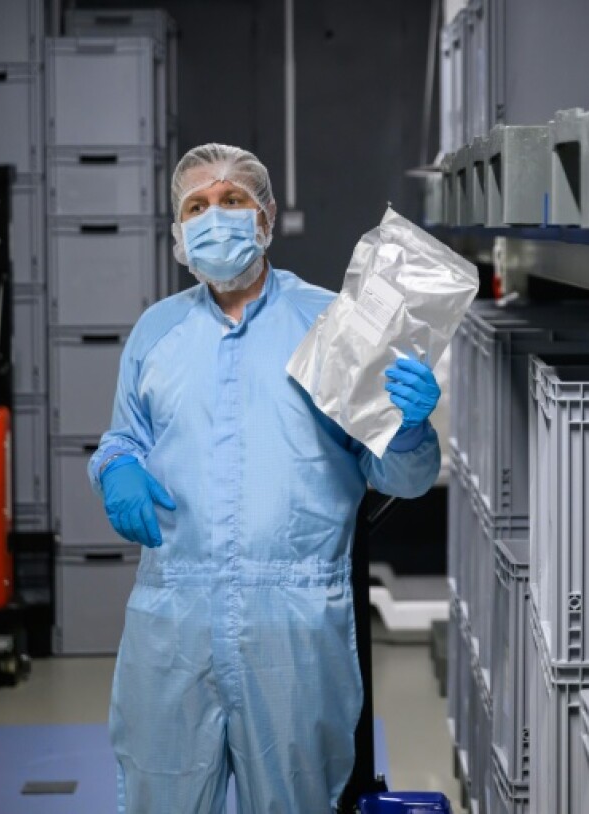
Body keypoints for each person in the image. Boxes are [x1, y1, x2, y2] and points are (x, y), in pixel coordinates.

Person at [87, 143, 443, 813]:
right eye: (197, 205)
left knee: (297, 800)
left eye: (232, 201)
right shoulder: (156, 333)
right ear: (177, 229)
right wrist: (117, 469)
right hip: (173, 621)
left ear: (266, 216)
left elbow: (401, 473)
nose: (213, 217)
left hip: (294, 626)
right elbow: (122, 438)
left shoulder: (330, 324)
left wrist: (413, 427)